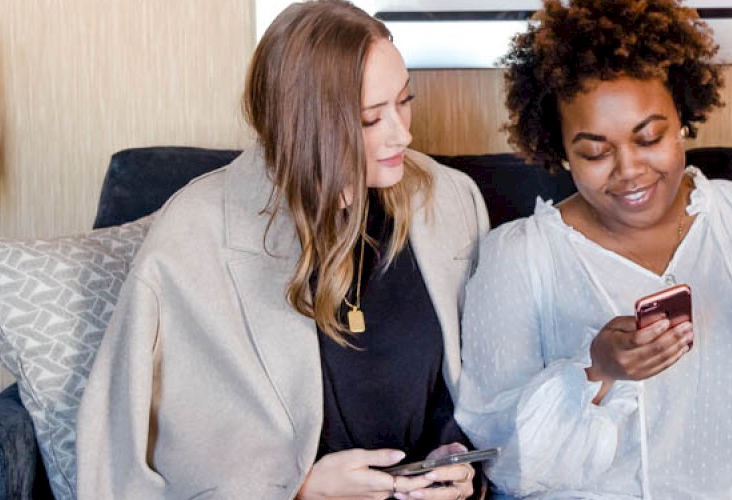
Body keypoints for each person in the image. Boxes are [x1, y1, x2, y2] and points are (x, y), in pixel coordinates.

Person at [452, 1, 732, 498]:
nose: (629, 169)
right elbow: (505, 465)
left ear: (682, 119)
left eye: (649, 137)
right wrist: (596, 373)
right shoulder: (516, 259)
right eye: (594, 152)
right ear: (560, 150)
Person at [75, 1, 489, 498]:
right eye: (370, 118)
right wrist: (298, 489)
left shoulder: (448, 200)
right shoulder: (197, 233)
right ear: (303, 126)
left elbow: (472, 386)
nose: (404, 133)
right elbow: (134, 446)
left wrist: (459, 464)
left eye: (404, 101)